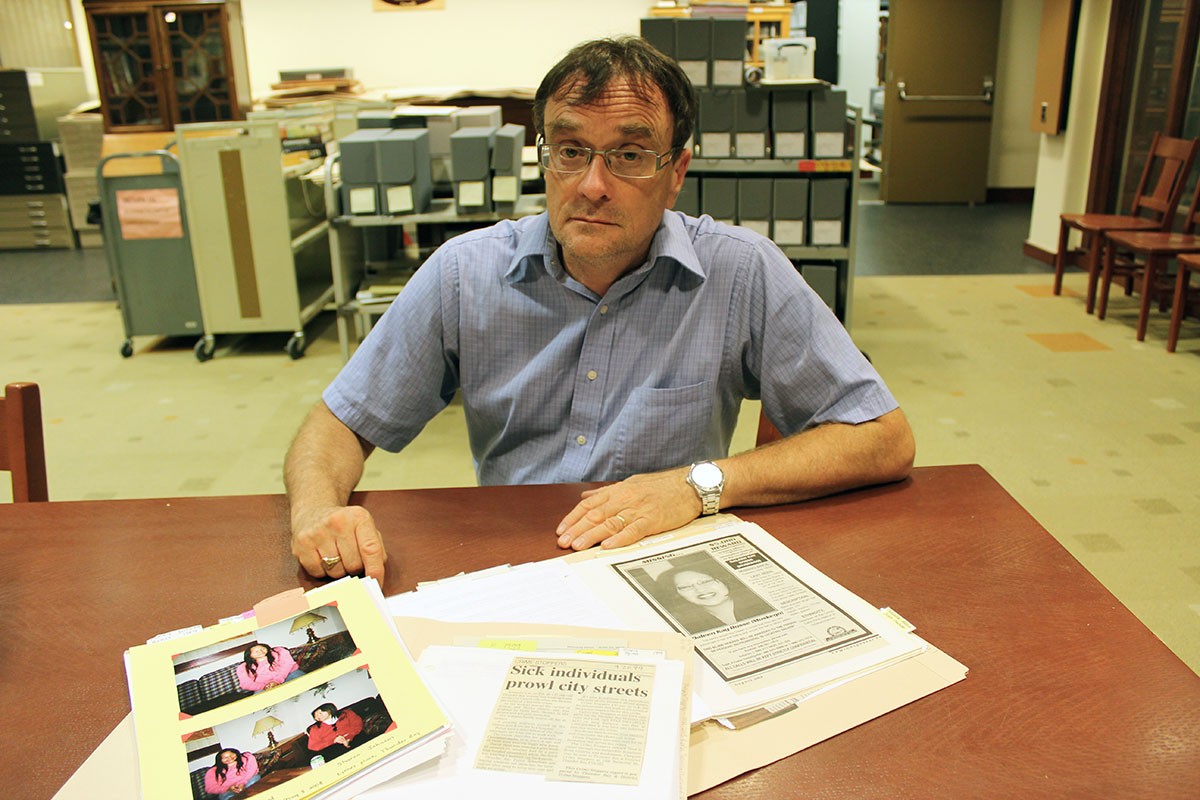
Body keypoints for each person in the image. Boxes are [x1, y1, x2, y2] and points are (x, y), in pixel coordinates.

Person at [284, 36, 915, 582]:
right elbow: (339, 423)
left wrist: (696, 484)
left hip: (672, 562)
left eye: (629, 156)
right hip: (515, 562)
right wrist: (317, 511)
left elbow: (882, 438)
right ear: (544, 159)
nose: (591, 185)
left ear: (676, 173)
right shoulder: (463, 274)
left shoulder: (739, 271)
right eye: (571, 150)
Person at [656, 564, 773, 634]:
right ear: (677, 594)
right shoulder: (691, 626)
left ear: (723, 580)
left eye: (705, 581)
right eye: (686, 587)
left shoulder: (764, 603)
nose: (700, 589)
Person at [235, 643, 304, 693]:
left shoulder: (279, 651)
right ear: (249, 655)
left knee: (299, 676)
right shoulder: (243, 667)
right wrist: (264, 686)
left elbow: (287, 665)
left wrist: (276, 681)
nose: (261, 652)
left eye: (262, 649)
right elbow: (245, 684)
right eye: (256, 651)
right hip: (265, 688)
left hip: (288, 676)